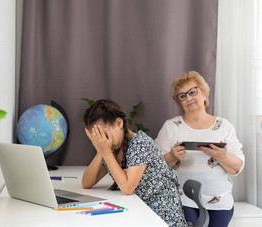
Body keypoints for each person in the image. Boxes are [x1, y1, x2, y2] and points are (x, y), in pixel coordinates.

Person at [155, 71, 245, 227]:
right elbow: (155, 167)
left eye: (192, 92)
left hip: (220, 201)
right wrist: (171, 156)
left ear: (204, 93)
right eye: (182, 96)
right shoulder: (171, 127)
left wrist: (222, 157)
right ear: (179, 102)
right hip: (183, 199)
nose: (188, 98)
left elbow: (237, 167)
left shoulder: (224, 126)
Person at [82, 99, 187, 227]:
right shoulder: (112, 148)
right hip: (139, 210)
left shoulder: (141, 143)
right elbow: (87, 183)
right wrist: (100, 150)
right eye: (98, 137)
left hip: (161, 215)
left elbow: (127, 188)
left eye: (103, 134)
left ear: (119, 123)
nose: (102, 140)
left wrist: (105, 151)